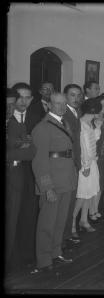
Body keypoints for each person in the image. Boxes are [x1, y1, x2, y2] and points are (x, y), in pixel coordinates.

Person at [31, 93, 77, 273]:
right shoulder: (42, 127)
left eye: (64, 104)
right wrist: (47, 187)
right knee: (47, 223)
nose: (61, 107)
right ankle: (43, 260)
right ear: (49, 105)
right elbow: (40, 161)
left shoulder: (63, 122)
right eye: (57, 103)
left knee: (60, 221)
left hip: (66, 180)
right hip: (53, 183)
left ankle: (55, 252)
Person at [5, 87, 36, 273]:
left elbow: (32, 150)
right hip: (13, 171)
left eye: (10, 105)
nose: (9, 108)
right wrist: (18, 150)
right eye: (7, 105)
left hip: (16, 176)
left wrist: (19, 149)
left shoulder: (16, 124)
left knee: (13, 219)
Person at [73, 98, 103, 236]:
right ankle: (72, 222)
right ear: (94, 111)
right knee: (82, 195)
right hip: (85, 164)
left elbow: (93, 141)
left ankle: (84, 220)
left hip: (92, 162)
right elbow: (83, 148)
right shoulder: (82, 124)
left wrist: (97, 127)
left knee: (90, 194)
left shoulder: (89, 124)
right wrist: (85, 166)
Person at [62, 84, 83, 247]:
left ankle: (67, 233)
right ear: (65, 96)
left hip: (76, 162)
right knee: (65, 202)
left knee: (71, 201)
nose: (76, 98)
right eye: (72, 95)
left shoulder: (78, 112)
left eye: (78, 95)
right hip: (67, 163)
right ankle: (62, 236)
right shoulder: (63, 113)